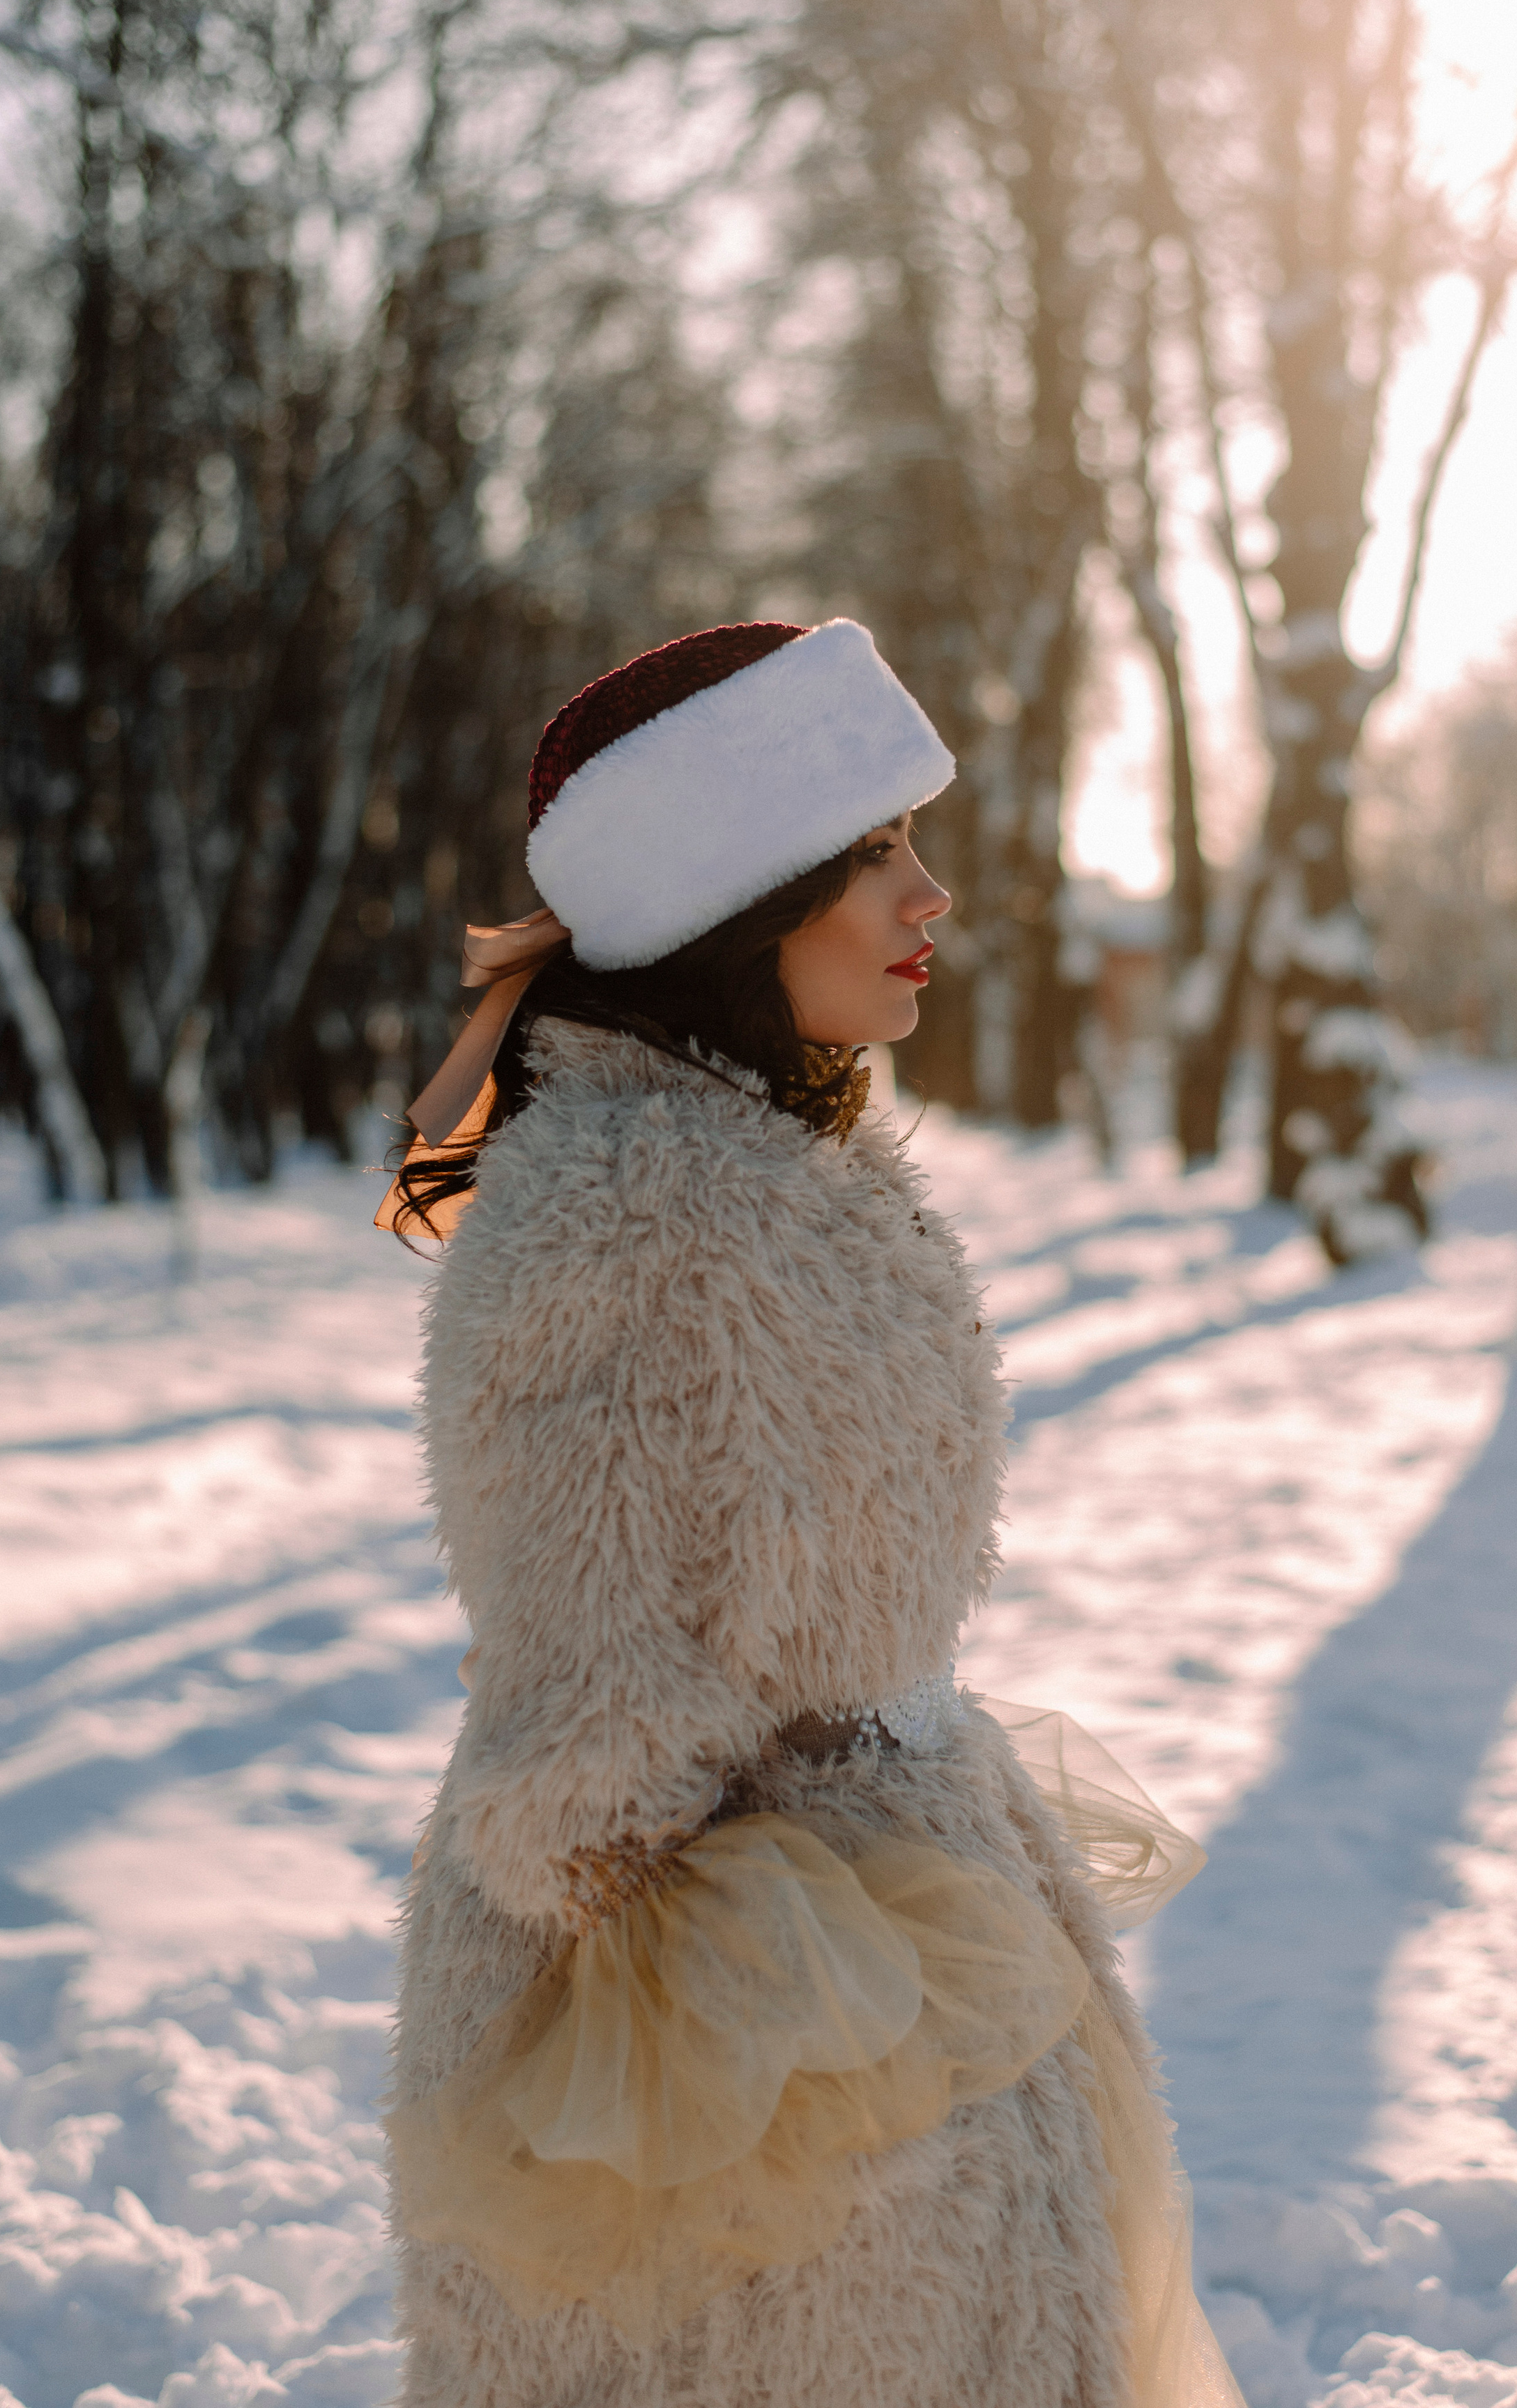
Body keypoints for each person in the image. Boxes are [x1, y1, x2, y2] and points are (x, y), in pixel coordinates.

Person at [381, 618, 1243, 2408]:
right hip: (733, 2018)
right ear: (732, 892)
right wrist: (755, 1985)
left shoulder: (780, 1169)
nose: (929, 893)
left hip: (892, 1923)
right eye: (874, 852)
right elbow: (584, 1724)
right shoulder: (628, 1217)